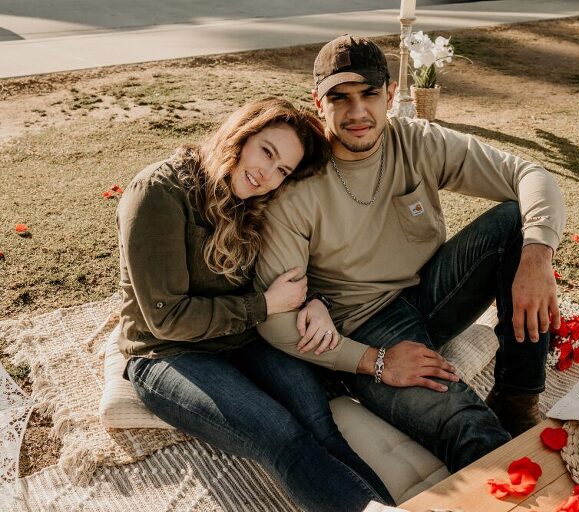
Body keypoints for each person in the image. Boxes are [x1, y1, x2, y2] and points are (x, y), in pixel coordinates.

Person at [252, 35, 567, 473]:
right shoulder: (296, 186)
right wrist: (374, 363)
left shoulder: (418, 141)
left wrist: (538, 257)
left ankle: (517, 396)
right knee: (468, 427)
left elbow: (530, 174)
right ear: (318, 102)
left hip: (434, 290)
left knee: (518, 223)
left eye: (370, 94)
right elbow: (276, 324)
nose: (357, 112)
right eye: (340, 98)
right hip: (364, 325)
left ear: (391, 95)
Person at [117, 97, 394, 511]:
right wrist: (263, 305)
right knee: (279, 433)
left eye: (282, 169)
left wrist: (313, 300)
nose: (267, 175)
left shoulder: (255, 201)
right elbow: (168, 320)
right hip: (169, 354)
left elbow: (286, 267)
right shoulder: (159, 191)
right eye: (267, 151)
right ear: (240, 135)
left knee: (322, 427)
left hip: (243, 340)